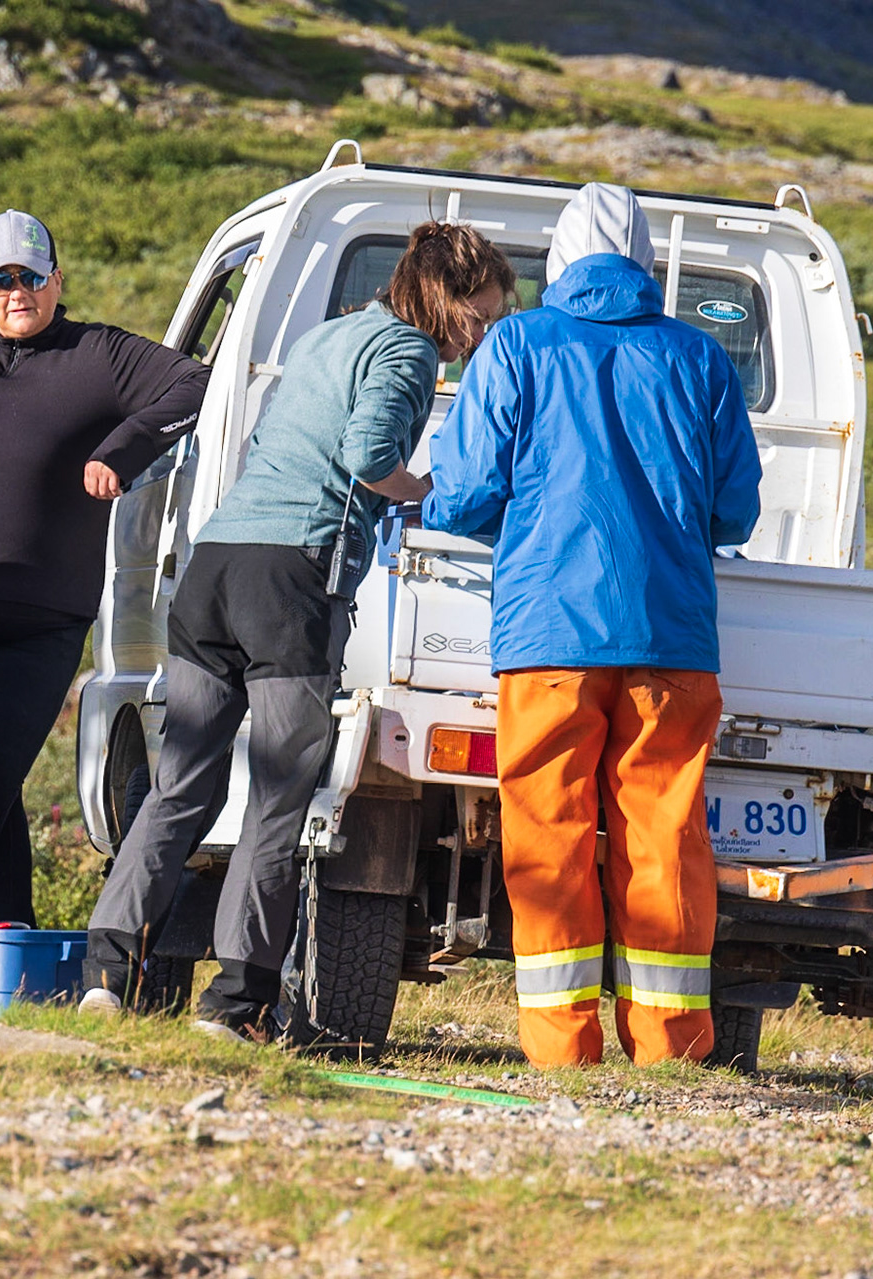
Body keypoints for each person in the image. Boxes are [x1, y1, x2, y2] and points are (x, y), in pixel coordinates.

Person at [80, 222, 516, 1039]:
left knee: (183, 784)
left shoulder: (327, 336)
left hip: (217, 567)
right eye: (478, 318)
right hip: (291, 582)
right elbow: (367, 453)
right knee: (279, 800)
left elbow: (263, 440)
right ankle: (235, 1001)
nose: (479, 337)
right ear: (443, 299)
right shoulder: (408, 352)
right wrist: (417, 488)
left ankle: (107, 970)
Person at [423, 183, 764, 1069]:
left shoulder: (518, 345)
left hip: (548, 640)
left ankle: (562, 1053)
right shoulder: (701, 357)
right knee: (665, 837)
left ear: (561, 264)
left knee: (549, 837)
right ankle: (674, 1050)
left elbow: (462, 496)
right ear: (646, 266)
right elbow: (734, 513)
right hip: (672, 641)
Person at [0, 209, 212, 925]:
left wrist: (119, 451)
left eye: (31, 278)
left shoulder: (99, 355)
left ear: (57, 280)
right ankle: (6, 936)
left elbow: (196, 383)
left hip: (40, 627)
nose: (17, 293)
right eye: (1, 279)